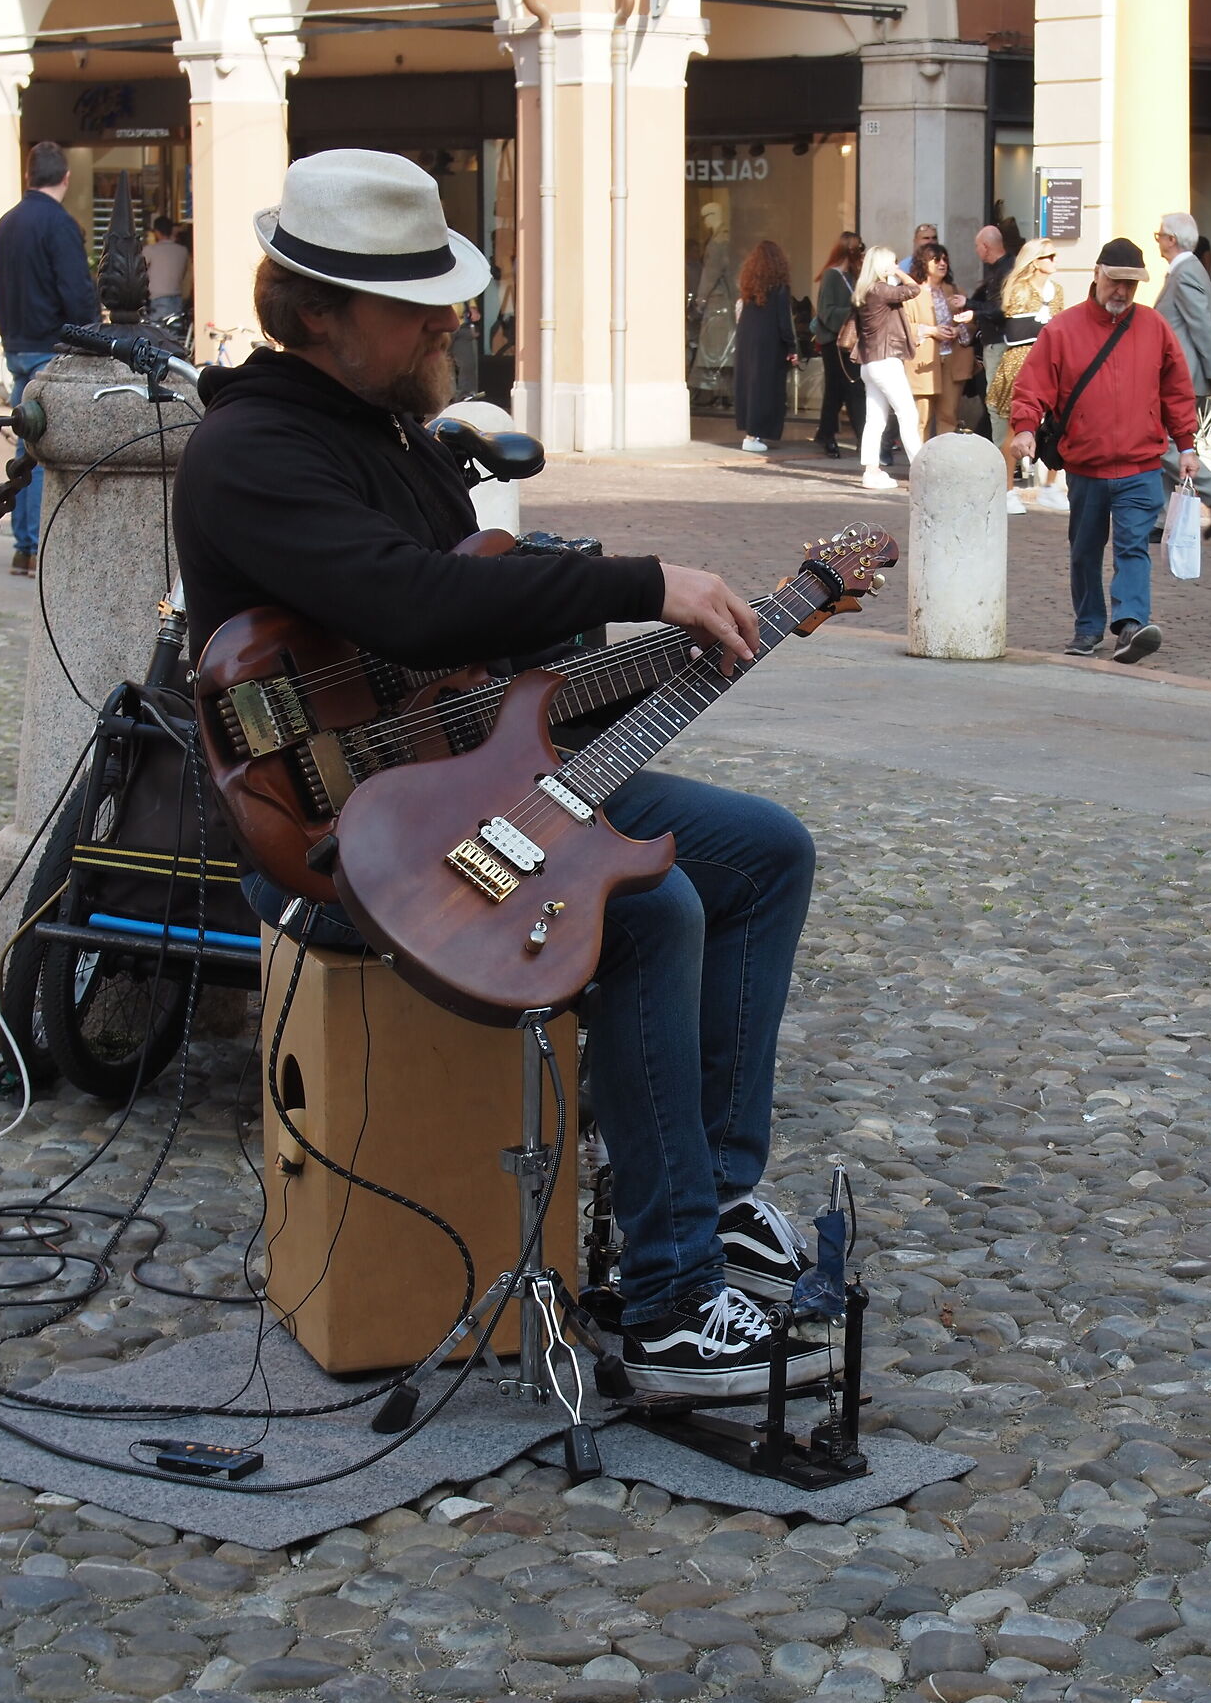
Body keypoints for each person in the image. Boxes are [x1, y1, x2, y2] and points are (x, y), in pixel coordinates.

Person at [172, 148, 831, 1400]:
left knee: (760, 855)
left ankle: (717, 1188)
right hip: (350, 833)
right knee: (652, 909)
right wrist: (645, 584)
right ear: (320, 312)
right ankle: (671, 1295)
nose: (449, 317)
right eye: (415, 300)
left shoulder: (395, 434)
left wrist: (663, 640)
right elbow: (416, 604)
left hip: (460, 771)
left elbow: (482, 637)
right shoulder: (253, 453)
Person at [1009, 237, 1199, 664]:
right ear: (1097, 274)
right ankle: (1088, 627)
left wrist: (1186, 445)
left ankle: (1130, 623)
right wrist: (1024, 427)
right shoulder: (1063, 329)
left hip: (1140, 464)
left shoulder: (1154, 328)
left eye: (1131, 286)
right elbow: (1032, 385)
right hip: (1087, 466)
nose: (1122, 292)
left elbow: (1177, 391)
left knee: (1133, 544)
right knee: (1085, 550)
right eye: (1115, 282)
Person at [0, 140, 99, 579]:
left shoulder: (6, 223)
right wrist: (92, 332)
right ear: (66, 178)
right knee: (40, 451)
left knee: (24, 448)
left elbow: (0, 288)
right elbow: (76, 292)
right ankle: (34, 544)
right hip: (48, 347)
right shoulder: (59, 225)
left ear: (27, 175)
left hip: (17, 342)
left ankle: (23, 545)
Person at [1152, 211, 1211, 536]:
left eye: (1159, 235)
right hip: (1186, 373)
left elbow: (1202, 323)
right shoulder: (1191, 270)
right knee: (1168, 444)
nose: (1158, 240)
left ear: (1171, 240)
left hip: (1180, 375)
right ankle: (1159, 521)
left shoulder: (1185, 272)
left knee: (1161, 444)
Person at [990, 240, 1062, 509]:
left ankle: (1050, 485)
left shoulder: (1058, 292)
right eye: (1049, 256)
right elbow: (1015, 328)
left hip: (1052, 361)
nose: (1055, 261)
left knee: (1057, 423)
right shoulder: (1018, 289)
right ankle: (1008, 489)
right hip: (1021, 360)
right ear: (1035, 261)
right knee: (1015, 428)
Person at [851, 244, 923, 492]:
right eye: (892, 262)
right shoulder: (881, 290)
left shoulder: (865, 291)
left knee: (875, 419)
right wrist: (901, 273)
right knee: (908, 414)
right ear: (883, 265)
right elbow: (914, 289)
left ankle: (871, 471)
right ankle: (920, 470)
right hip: (886, 362)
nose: (896, 266)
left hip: (869, 363)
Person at [731, 238, 795, 454]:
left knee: (750, 385)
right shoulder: (780, 288)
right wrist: (792, 347)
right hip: (769, 343)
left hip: (746, 339)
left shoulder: (749, 286)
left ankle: (751, 432)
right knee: (766, 389)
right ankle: (754, 434)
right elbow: (784, 321)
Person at [905, 241, 974, 442]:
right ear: (923, 263)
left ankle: (943, 465)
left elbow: (971, 324)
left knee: (949, 416)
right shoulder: (912, 292)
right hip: (923, 363)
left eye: (945, 259)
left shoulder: (955, 290)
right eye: (936, 260)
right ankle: (919, 464)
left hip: (952, 362)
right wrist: (932, 331)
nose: (942, 263)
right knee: (921, 418)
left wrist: (957, 329)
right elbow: (903, 327)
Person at [810, 231, 864, 459]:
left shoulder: (853, 276)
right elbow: (826, 310)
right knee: (842, 388)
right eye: (858, 249)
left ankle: (827, 432)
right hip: (834, 341)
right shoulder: (832, 276)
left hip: (849, 341)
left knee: (847, 388)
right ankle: (832, 434)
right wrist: (853, 312)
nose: (860, 253)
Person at [966, 223, 1014, 437]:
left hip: (998, 341)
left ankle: (1002, 456)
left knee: (996, 402)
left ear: (985, 247)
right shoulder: (999, 269)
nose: (976, 251)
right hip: (994, 341)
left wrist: (973, 312)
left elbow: (999, 310)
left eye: (977, 246)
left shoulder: (1006, 271)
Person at [144, 215, 191, 327]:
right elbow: (184, 274)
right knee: (173, 337)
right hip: (178, 299)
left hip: (158, 299)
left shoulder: (150, 250)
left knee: (157, 337)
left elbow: (139, 270)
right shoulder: (183, 251)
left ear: (157, 232)